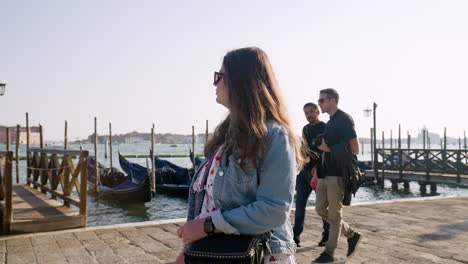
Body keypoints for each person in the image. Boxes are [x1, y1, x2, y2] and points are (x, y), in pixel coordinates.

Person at [176, 47, 301, 264]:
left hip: (259, 255)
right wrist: (191, 249)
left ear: (241, 81)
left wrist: (206, 226)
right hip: (218, 253)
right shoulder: (227, 137)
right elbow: (210, 203)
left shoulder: (275, 136)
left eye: (220, 76)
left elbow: (273, 210)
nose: (215, 83)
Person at [313, 88, 362, 263]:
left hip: (338, 175)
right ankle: (351, 234)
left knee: (334, 215)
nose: (319, 104)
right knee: (320, 209)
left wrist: (330, 149)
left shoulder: (344, 119)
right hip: (325, 174)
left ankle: (329, 253)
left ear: (332, 100)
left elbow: (355, 149)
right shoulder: (331, 121)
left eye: (322, 100)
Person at [293, 103, 330, 248]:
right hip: (304, 172)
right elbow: (304, 148)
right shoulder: (305, 128)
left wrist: (317, 168)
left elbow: (326, 151)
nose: (308, 115)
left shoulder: (325, 128)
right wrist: (300, 164)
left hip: (319, 173)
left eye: (310, 112)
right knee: (299, 204)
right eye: (306, 113)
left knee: (322, 206)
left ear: (318, 112)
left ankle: (326, 236)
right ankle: (295, 237)